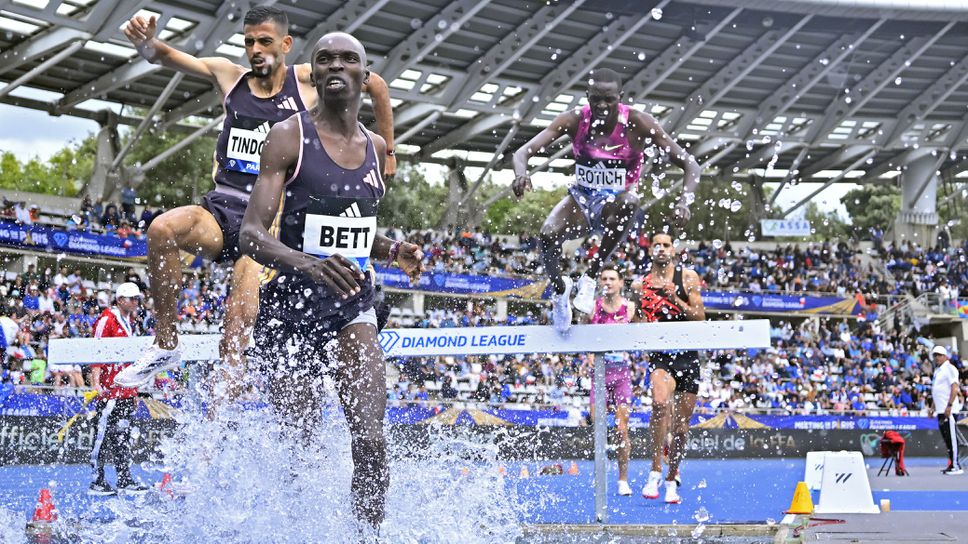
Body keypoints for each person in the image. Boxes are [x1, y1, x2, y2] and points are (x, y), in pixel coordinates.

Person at [115, 6, 397, 395]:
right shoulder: (229, 76)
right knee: (162, 228)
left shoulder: (306, 79)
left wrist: (390, 156)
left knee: (239, 313)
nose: (255, 50)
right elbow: (163, 56)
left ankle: (228, 390)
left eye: (265, 41)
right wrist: (146, 43)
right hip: (224, 205)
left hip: (269, 219)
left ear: (286, 45)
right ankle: (165, 344)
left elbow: (376, 85)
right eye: (249, 42)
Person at [239, 32, 422, 528]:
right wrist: (308, 263)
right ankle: (296, 530)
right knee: (298, 446)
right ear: (313, 75)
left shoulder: (378, 148)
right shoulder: (289, 136)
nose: (336, 66)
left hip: (350, 304)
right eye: (325, 60)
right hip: (290, 307)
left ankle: (368, 536)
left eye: (349, 59)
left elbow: (354, 229)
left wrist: (392, 250)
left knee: (370, 437)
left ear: (366, 76)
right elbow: (251, 234)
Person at [510, 68, 700, 333]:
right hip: (581, 198)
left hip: (615, 203)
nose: (601, 105)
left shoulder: (638, 123)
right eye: (596, 99)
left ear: (619, 98)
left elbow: (691, 165)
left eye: (609, 99)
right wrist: (521, 174)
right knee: (547, 235)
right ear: (587, 96)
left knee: (630, 201)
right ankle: (560, 291)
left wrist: (684, 203)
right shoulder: (574, 120)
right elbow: (523, 152)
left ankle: (590, 276)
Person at [634, 232, 705, 504]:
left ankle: (672, 476)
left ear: (673, 250)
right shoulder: (641, 286)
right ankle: (654, 471)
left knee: (682, 427)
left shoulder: (688, 278)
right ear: (649, 250)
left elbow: (699, 317)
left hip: (688, 356)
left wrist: (675, 299)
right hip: (661, 357)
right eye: (657, 245)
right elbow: (637, 324)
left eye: (666, 245)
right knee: (660, 403)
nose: (662, 249)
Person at [88, 282, 150, 495]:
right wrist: (96, 383)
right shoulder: (107, 319)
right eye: (132, 299)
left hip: (124, 389)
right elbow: (96, 351)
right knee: (102, 435)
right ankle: (97, 481)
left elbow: (129, 361)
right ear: (120, 300)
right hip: (109, 390)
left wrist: (133, 390)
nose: (135, 302)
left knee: (122, 436)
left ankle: (124, 479)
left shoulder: (128, 322)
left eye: (137, 299)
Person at [582, 266, 636, 496]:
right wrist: (589, 356)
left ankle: (623, 479)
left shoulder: (630, 308)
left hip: (622, 374)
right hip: (599, 375)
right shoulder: (592, 308)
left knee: (621, 430)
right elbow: (583, 337)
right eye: (603, 278)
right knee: (598, 426)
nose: (607, 282)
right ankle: (601, 475)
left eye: (612, 278)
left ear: (621, 282)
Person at [931, 345, 964, 475]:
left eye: (939, 355)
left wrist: (949, 405)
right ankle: (952, 464)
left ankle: (956, 466)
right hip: (940, 409)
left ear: (945, 356)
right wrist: (932, 407)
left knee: (951, 438)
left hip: (947, 409)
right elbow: (936, 391)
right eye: (935, 355)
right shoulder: (938, 371)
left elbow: (954, 388)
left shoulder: (950, 368)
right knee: (947, 439)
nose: (937, 357)